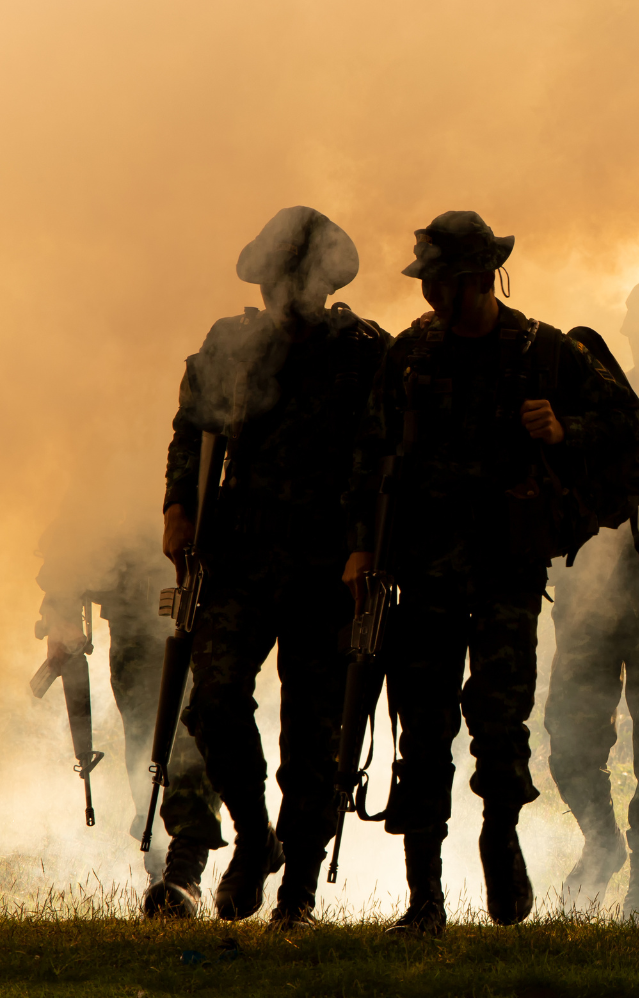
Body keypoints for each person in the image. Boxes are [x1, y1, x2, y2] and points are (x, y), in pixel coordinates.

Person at [344, 211, 639, 939]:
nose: (429, 294)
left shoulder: (547, 354)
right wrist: (361, 546)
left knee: (499, 721)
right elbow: (369, 458)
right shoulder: (407, 356)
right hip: (421, 572)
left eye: (440, 280)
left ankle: (500, 834)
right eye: (427, 280)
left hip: (505, 574)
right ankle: (424, 897)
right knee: (421, 731)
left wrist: (566, 432)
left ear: (479, 279)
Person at [165, 206, 387, 928]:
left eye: (290, 277)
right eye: (271, 279)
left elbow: (379, 458)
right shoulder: (229, 344)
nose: (278, 293)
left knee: (315, 734)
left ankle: (297, 899)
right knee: (213, 699)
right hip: (242, 554)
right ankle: (256, 836)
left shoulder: (363, 352)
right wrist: (178, 508)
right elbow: (192, 430)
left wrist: (365, 548)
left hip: (330, 563)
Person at [544, 273, 639, 916]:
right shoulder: (595, 400)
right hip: (590, 592)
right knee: (570, 737)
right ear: (631, 328)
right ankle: (602, 841)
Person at [34, 514, 224, 917]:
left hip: (207, 600)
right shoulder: (113, 455)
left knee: (193, 738)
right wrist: (61, 604)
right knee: (145, 742)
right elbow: (79, 512)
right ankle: (161, 867)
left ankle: (183, 868)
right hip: (134, 616)